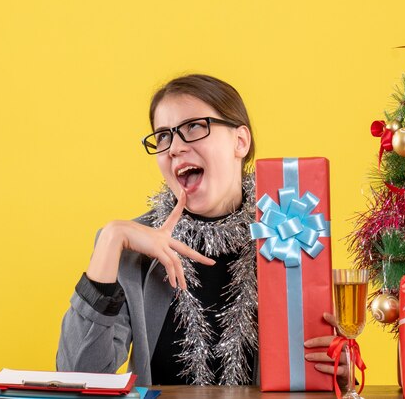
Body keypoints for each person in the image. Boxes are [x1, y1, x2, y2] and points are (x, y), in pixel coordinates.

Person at [56, 74, 345, 386]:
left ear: (240, 141)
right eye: (163, 136)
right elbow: (77, 378)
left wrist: (337, 371)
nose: (175, 148)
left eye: (194, 126)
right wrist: (111, 239)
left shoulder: (288, 230)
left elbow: (317, 367)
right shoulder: (131, 245)